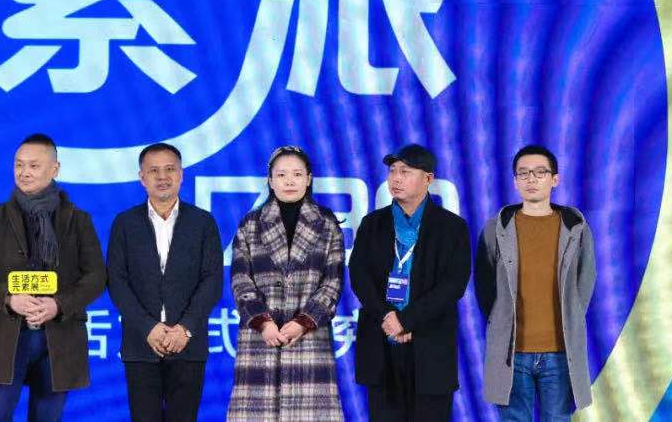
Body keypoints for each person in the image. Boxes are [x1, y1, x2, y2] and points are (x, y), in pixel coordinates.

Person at [0, 133, 106, 422]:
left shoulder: (78, 220)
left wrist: (59, 305)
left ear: (55, 169)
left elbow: (96, 276)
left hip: (59, 337)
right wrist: (8, 298)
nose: (24, 172)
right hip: (5, 335)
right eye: (18, 164)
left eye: (33, 165)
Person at [348, 144, 470, 422]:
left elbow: (453, 285)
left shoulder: (452, 227)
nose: (396, 178)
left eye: (405, 172)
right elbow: (359, 276)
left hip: (429, 346)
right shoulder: (372, 224)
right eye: (392, 171)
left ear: (428, 179)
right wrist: (388, 317)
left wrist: (406, 320)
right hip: (381, 343)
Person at [475, 145, 597, 420]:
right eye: (523, 173)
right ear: (515, 181)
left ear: (555, 179)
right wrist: (500, 319)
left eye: (540, 172)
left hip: (560, 353)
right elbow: (484, 285)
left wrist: (572, 313)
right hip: (511, 353)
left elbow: (586, 278)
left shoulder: (576, 226)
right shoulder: (496, 228)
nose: (531, 179)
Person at [106, 143, 223, 421]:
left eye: (170, 169)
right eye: (154, 170)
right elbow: (117, 281)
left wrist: (185, 328)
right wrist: (149, 327)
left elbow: (212, 280)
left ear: (181, 175)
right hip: (141, 344)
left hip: (188, 345)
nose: (162, 177)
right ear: (142, 178)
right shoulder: (125, 223)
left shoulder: (203, 222)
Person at [227, 145, 345, 421]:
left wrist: (303, 322)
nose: (289, 181)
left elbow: (333, 282)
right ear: (270, 181)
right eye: (281, 175)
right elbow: (240, 279)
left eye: (297, 174)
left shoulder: (327, 224)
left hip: (308, 338)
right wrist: (262, 322)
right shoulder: (250, 224)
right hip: (261, 338)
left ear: (309, 179)